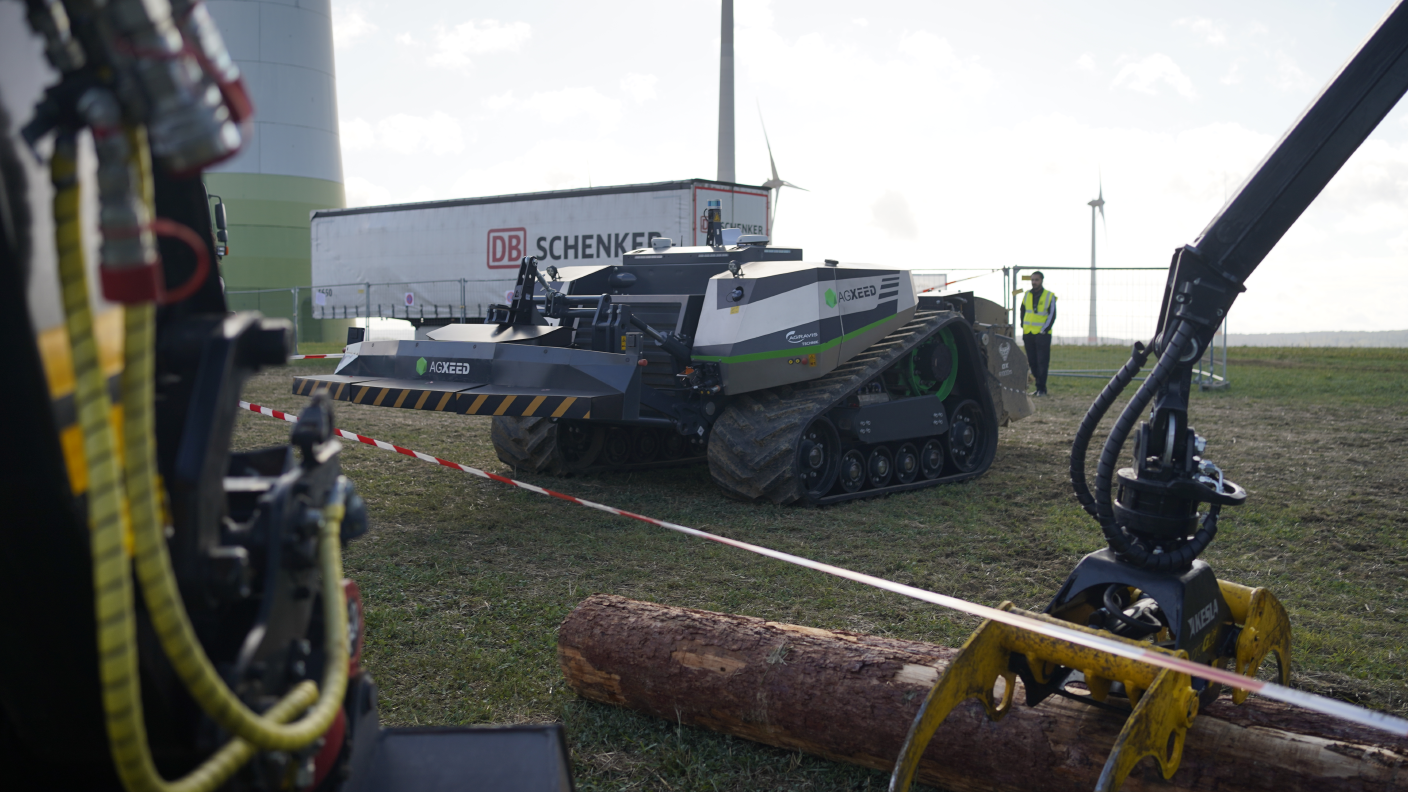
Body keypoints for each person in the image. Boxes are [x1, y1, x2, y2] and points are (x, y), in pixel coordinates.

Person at [1020, 271, 1056, 396]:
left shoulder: (1049, 296)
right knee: (1032, 361)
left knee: (1042, 362)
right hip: (1028, 333)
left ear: (1041, 280)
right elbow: (1022, 311)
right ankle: (1037, 387)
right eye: (1033, 279)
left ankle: (1042, 388)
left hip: (1042, 335)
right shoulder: (1026, 295)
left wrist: (1044, 330)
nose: (1034, 282)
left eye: (1037, 280)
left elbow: (1052, 315)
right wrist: (1022, 326)